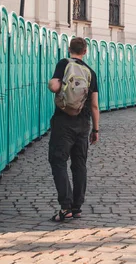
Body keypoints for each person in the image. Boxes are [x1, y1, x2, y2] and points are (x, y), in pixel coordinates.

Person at [47, 37, 100, 222]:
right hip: (83, 123)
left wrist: (56, 84)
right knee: (79, 165)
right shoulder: (90, 72)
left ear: (69, 49)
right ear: (85, 52)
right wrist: (96, 130)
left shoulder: (64, 64)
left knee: (58, 161)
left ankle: (65, 206)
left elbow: (54, 86)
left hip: (63, 121)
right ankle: (77, 207)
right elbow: (94, 105)